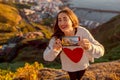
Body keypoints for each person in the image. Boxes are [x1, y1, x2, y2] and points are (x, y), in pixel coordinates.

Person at [43, 7, 104, 80]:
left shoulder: (82, 32)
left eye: (65, 19)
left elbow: (101, 52)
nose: (62, 23)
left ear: (72, 20)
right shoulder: (56, 38)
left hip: (84, 67)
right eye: (59, 20)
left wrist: (89, 47)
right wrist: (54, 50)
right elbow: (46, 58)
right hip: (68, 69)